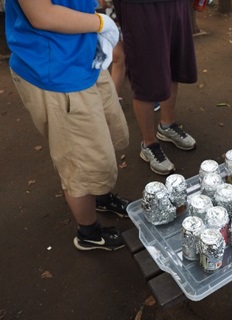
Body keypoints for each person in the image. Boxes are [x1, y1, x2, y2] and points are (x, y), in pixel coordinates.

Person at [6, 0, 131, 251]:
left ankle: (101, 197)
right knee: (79, 162)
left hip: (84, 55)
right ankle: (89, 232)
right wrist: (100, 22)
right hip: (58, 71)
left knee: (103, 137)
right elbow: (42, 14)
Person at [113, 0, 197, 176]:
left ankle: (167, 125)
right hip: (141, 7)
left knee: (174, 64)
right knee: (146, 74)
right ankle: (148, 143)